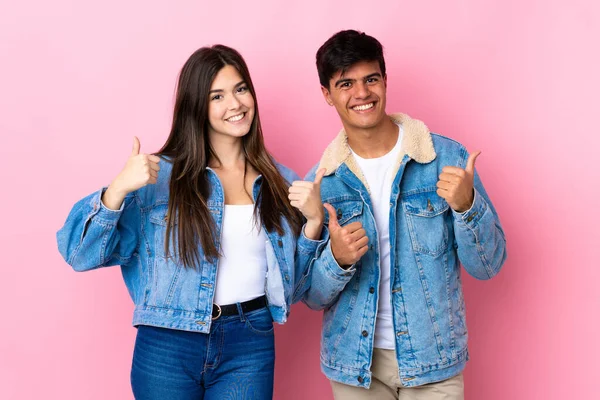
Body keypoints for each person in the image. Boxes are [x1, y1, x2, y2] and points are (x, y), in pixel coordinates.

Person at [57, 44, 324, 400]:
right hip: (168, 342)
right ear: (196, 105)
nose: (236, 104)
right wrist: (118, 188)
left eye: (241, 89)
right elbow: (78, 253)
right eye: (217, 96)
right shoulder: (158, 176)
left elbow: (298, 288)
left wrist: (314, 223)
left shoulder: (280, 181)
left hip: (249, 341)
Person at [299, 30, 507, 399]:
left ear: (384, 81)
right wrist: (337, 259)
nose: (362, 93)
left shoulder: (444, 159)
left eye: (371, 79)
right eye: (346, 83)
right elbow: (312, 297)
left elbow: (488, 266)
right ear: (327, 94)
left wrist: (466, 204)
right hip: (354, 365)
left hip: (433, 361)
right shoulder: (323, 183)